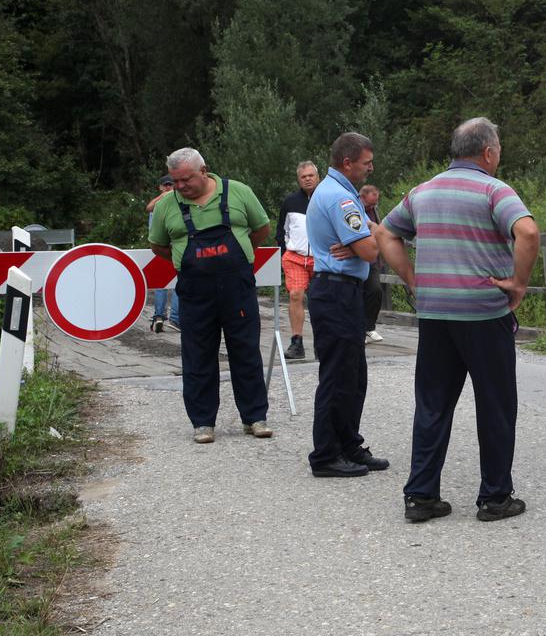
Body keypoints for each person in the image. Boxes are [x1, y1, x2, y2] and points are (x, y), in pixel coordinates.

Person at [376, 117, 539, 523]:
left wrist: (414, 281)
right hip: (484, 313)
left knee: (432, 404)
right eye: (498, 150)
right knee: (496, 404)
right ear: (487, 152)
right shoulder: (493, 190)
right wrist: (518, 284)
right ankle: (495, 498)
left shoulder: (422, 192)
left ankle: (421, 495)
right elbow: (529, 233)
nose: (499, 157)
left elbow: (385, 234)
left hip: (435, 314)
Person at [148, 148, 274, 444]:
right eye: (175, 181)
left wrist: (240, 255)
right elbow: (158, 246)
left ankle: (255, 418)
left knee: (245, 351)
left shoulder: (239, 192)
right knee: (198, 356)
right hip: (195, 291)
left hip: (237, 288)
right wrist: (186, 261)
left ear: (203, 171)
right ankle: (203, 422)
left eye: (185, 180)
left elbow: (261, 229)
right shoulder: (168, 205)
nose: (180, 186)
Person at [305, 133, 389, 478]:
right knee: (338, 375)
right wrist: (368, 239)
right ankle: (326, 454)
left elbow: (366, 243)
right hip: (337, 291)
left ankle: (348, 444)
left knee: (354, 376)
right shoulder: (340, 198)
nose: (371, 168)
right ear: (348, 162)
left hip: (343, 291)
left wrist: (366, 235)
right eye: (367, 163)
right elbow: (370, 251)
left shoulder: (339, 193)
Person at [276, 161, 320, 359]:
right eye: (304, 176)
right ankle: (297, 342)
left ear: (318, 177)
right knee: (295, 295)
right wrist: (286, 251)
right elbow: (281, 230)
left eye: (311, 175)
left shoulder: (325, 199)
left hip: (321, 258)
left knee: (321, 300)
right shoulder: (290, 202)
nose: (308, 179)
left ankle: (322, 342)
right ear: (298, 179)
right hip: (295, 257)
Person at [145, 175, 180, 332]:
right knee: (170, 283)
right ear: (160, 187)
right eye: (165, 185)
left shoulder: (160, 204)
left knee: (166, 284)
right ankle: (172, 318)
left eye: (170, 185)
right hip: (166, 247)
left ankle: (161, 317)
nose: (168, 187)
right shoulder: (163, 203)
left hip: (162, 247)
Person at [359, 184, 385, 343]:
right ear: (362, 198)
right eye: (370, 204)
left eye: (375, 204)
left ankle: (369, 327)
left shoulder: (375, 211)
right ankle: (360, 329)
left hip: (373, 258)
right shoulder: (355, 209)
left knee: (376, 291)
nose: (372, 206)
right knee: (359, 293)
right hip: (358, 256)